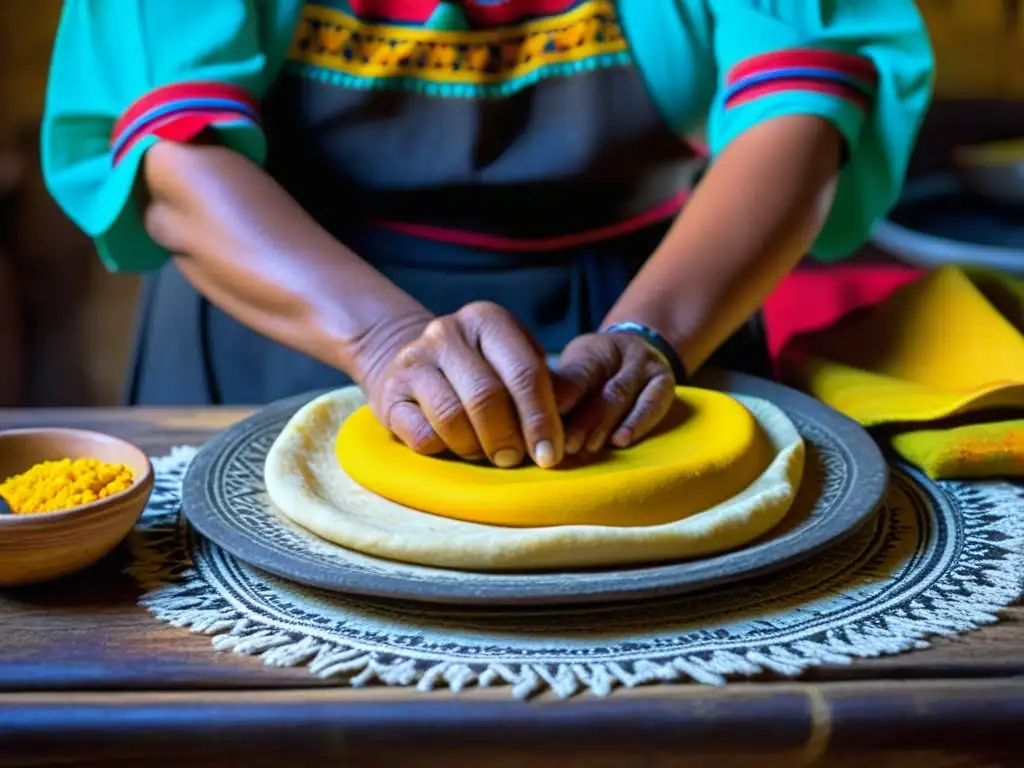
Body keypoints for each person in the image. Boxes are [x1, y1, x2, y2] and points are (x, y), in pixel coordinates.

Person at [42, 0, 933, 469]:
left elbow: (806, 102)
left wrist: (648, 339)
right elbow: (172, 150)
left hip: (656, 309)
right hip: (282, 321)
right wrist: (385, 340)